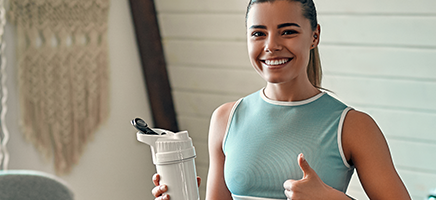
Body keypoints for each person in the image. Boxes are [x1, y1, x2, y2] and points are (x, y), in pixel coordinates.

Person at [150, 0, 413, 199]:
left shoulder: (353, 126)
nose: (271, 45)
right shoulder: (225, 119)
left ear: (314, 36)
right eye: (258, 33)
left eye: (287, 32)